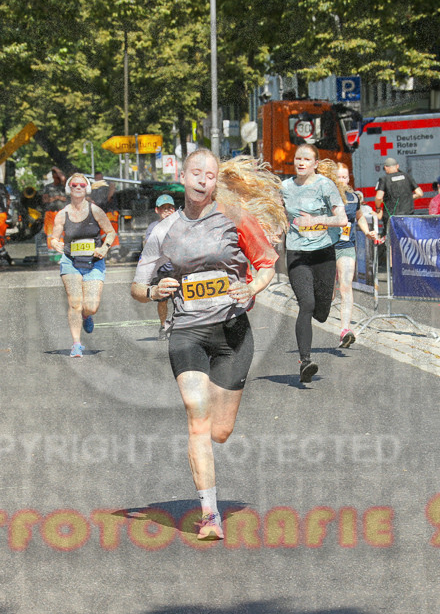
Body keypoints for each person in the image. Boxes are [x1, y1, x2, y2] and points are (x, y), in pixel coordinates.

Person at [131, 150, 285, 540]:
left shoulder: (234, 218)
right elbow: (137, 286)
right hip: (187, 331)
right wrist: (153, 291)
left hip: (232, 332)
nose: (202, 180)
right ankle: (210, 515)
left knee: (220, 431)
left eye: (210, 175)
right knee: (197, 418)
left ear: (217, 181)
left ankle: (212, 494)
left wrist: (249, 286)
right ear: (182, 177)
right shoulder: (162, 232)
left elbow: (267, 263)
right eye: (196, 173)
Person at [281, 144, 349, 382]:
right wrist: (273, 231)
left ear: (315, 163)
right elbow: (278, 216)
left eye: (306, 159)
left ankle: (322, 308)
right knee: (306, 304)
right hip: (297, 254)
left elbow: (342, 219)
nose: (301, 163)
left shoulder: (325, 185)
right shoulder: (285, 187)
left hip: (323, 253)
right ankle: (305, 362)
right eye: (297, 158)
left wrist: (314, 220)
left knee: (321, 311)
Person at [49, 173, 117, 357]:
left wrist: (104, 248)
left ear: (86, 188)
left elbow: (110, 232)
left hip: (94, 262)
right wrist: (56, 244)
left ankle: (87, 315)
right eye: (74, 185)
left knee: (91, 306)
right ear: (68, 189)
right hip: (70, 261)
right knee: (75, 303)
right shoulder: (62, 214)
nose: (77, 188)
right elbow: (53, 238)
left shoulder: (95, 210)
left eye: (81, 185)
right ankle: (76, 344)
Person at [317, 159, 377, 348]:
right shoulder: (323, 195)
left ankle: (345, 331)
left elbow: (359, 217)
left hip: (345, 246)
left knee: (346, 286)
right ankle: (323, 303)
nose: (343, 180)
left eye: (345, 176)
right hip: (325, 247)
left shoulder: (353, 197)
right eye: (339, 177)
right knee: (328, 290)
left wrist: (367, 232)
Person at [143, 194, 177, 341]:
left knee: (180, 300)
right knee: (162, 300)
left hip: (178, 268)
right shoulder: (153, 227)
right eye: (164, 209)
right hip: (162, 270)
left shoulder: (181, 224)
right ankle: (163, 326)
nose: (167, 211)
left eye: (170, 208)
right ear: (157, 210)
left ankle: (178, 326)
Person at [374, 156, 423, 226]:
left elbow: (378, 197)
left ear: (385, 167)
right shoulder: (407, 176)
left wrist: (378, 208)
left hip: (392, 218)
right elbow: (420, 193)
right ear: (397, 166)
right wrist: (407, 198)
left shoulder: (384, 179)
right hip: (408, 216)